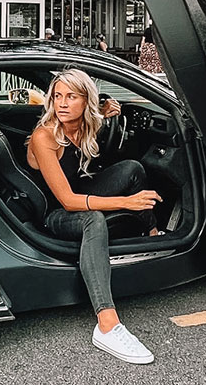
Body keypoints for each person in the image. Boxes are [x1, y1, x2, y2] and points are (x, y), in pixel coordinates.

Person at [25, 68, 161, 365]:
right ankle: (107, 325)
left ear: (85, 101)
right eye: (57, 96)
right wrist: (127, 202)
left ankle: (153, 240)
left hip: (78, 190)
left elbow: (98, 117)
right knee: (94, 220)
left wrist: (106, 112)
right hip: (54, 214)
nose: (61, 103)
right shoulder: (44, 136)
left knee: (132, 169)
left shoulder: (84, 125)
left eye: (71, 97)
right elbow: (68, 201)